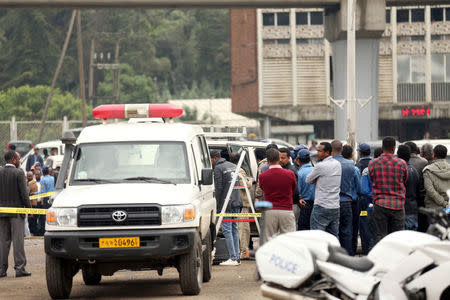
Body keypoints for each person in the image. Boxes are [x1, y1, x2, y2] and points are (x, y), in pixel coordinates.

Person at [369, 137, 408, 243]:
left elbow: (372, 179)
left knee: (380, 236)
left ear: (382, 147)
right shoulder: (402, 163)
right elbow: (404, 180)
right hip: (398, 205)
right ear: (394, 148)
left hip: (380, 204)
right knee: (397, 237)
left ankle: (382, 258)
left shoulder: (373, 163)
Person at [0, 150, 32, 278]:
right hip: (17, 213)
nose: (19, 161)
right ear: (13, 160)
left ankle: (1, 270)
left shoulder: (0, 173)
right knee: (18, 241)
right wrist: (29, 210)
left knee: (3, 242)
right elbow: (24, 194)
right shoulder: (19, 173)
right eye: (18, 158)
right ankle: (20, 269)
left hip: (2, 213)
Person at [210, 150, 242, 266]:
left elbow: (218, 189)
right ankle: (237, 256)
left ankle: (233, 258)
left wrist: (216, 204)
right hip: (237, 201)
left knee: (227, 229)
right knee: (234, 228)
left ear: (213, 158)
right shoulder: (232, 166)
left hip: (226, 204)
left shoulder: (218, 168)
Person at [259, 148, 297, 241]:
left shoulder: (263, 176)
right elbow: (294, 189)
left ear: (267, 161)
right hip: (286, 210)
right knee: (289, 239)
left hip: (269, 211)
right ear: (279, 159)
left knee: (268, 239)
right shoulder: (290, 174)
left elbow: (263, 189)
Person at [306, 142, 342, 237]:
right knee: (333, 237)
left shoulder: (320, 166)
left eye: (319, 151)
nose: (317, 153)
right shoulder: (338, 164)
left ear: (327, 153)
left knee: (317, 237)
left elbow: (308, 180)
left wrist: (316, 181)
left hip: (321, 205)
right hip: (335, 206)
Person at [331, 141, 360, 255]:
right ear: (341, 150)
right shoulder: (351, 165)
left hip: (331, 203)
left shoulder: (327, 164)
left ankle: (335, 257)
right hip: (347, 203)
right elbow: (359, 188)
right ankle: (348, 257)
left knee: (333, 231)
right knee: (347, 231)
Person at [230, 153, 253, 260]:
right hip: (242, 203)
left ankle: (239, 251)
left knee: (237, 228)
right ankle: (244, 252)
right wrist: (250, 181)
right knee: (243, 229)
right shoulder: (240, 170)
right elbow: (244, 185)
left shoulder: (230, 168)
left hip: (234, 202)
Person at [342, 145, 362, 256]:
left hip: (339, 202)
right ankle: (351, 253)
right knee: (353, 230)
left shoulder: (338, 166)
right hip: (353, 203)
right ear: (352, 155)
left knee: (342, 229)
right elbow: (359, 189)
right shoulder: (354, 169)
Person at [405, 141, 428, 232]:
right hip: (421, 197)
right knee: (422, 224)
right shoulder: (424, 162)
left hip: (406, 198)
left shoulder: (402, 162)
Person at [397, 145, 420, 231]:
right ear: (409, 155)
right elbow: (418, 191)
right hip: (413, 208)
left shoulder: (399, 170)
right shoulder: (414, 170)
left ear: (398, 155)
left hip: (401, 208)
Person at [422, 145, 450, 210]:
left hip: (433, 208)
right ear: (446, 156)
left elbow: (430, 191)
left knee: (436, 220)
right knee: (447, 220)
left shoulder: (428, 170)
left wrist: (444, 203)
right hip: (448, 207)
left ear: (434, 155)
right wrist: (446, 204)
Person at [279, 147, 301, 227]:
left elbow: (295, 190)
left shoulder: (291, 170)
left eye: (283, 158)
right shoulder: (282, 169)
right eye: (279, 158)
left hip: (292, 204)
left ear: (289, 158)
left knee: (291, 228)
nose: (280, 160)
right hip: (285, 204)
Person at [296, 149, 315, 230]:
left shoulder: (299, 173)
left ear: (298, 161)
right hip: (316, 204)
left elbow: (298, 190)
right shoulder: (316, 170)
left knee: (303, 229)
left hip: (304, 204)